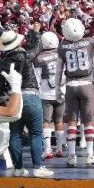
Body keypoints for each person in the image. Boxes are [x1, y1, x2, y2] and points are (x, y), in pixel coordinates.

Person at [0, 28, 52, 177]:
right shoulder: (25, 56)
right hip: (30, 96)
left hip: (13, 99)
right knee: (36, 133)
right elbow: (39, 46)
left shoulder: (2, 63)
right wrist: (36, 31)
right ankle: (38, 167)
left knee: (15, 134)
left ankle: (18, 168)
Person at [57, 17, 94, 166]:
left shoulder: (62, 46)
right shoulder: (90, 41)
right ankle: (89, 154)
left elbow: (59, 69)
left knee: (71, 122)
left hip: (70, 85)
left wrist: (58, 87)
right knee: (88, 121)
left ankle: (71, 155)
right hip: (86, 84)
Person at [34, 31, 66, 159]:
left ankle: (48, 149)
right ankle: (59, 148)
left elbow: (36, 78)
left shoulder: (39, 58)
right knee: (59, 121)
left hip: (46, 93)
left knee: (46, 121)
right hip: (61, 92)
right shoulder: (62, 54)